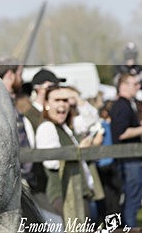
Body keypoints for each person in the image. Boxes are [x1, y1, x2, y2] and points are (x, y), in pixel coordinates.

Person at [35, 86, 104, 223]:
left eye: (65, 100)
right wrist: (77, 150)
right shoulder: (47, 127)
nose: (62, 104)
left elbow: (92, 119)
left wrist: (76, 98)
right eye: (57, 100)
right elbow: (51, 162)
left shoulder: (66, 127)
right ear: (47, 104)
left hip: (78, 194)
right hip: (64, 196)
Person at [110, 71, 142, 227]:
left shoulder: (127, 104)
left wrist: (140, 126)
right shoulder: (121, 105)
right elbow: (121, 133)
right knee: (132, 200)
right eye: (134, 84)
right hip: (128, 160)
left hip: (131, 159)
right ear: (123, 86)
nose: (138, 86)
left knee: (132, 200)